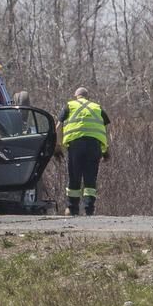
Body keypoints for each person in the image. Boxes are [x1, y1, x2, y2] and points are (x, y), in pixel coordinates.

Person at [56, 87, 111, 216]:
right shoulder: (97, 107)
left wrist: (57, 146)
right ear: (88, 97)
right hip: (94, 145)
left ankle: (72, 208)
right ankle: (89, 209)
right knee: (90, 177)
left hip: (76, 145)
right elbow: (106, 127)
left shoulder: (70, 106)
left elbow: (58, 126)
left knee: (74, 176)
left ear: (76, 96)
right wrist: (106, 149)